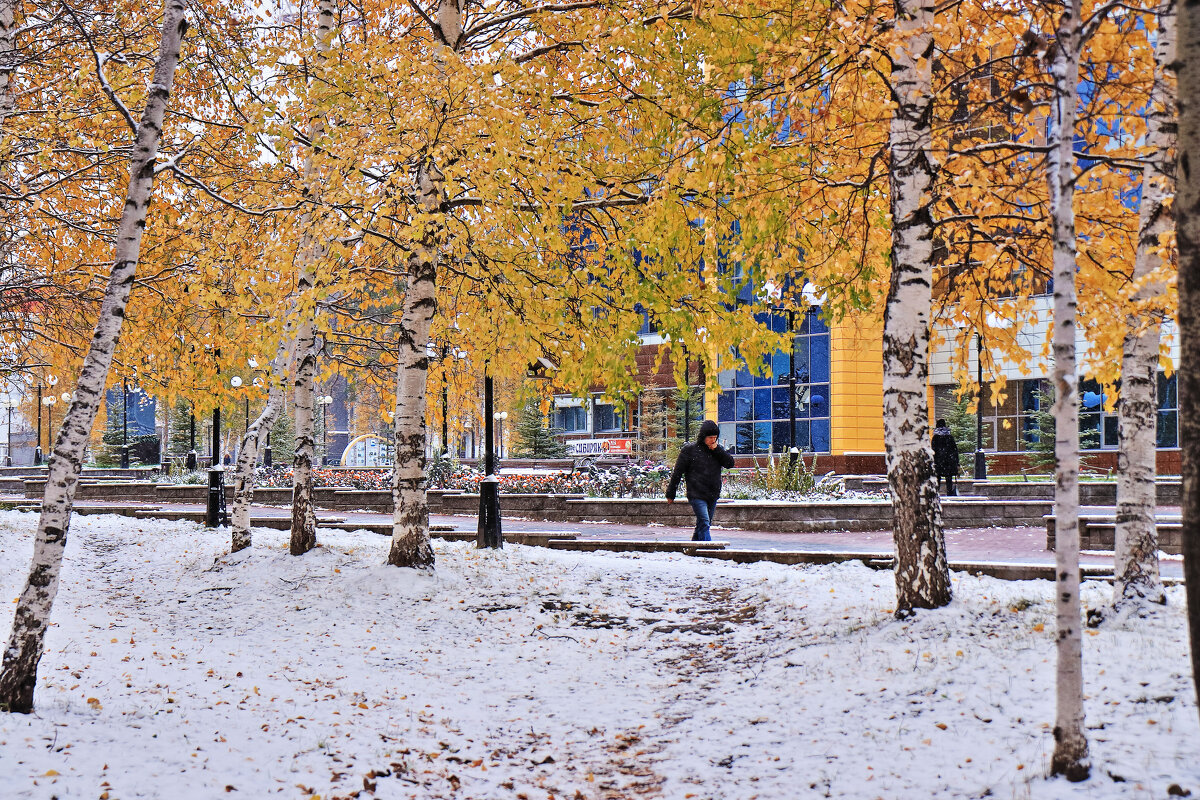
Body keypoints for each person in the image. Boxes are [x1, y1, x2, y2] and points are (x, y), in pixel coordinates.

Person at [666, 419, 735, 541]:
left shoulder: (717, 451)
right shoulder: (689, 451)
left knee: (702, 524)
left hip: (712, 494)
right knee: (704, 521)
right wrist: (671, 493)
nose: (713, 440)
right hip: (696, 493)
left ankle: (694, 547)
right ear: (703, 437)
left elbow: (730, 463)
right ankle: (708, 549)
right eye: (710, 437)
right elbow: (678, 472)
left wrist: (717, 450)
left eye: (715, 437)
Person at [931, 418, 960, 497]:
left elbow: (933, 450)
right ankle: (949, 493)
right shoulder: (949, 437)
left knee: (938, 478)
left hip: (938, 461)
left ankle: (936, 493)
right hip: (949, 462)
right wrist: (957, 462)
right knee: (949, 478)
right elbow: (954, 450)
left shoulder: (935, 437)